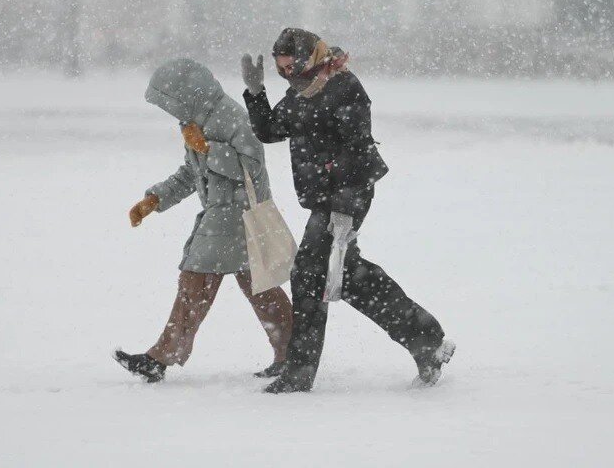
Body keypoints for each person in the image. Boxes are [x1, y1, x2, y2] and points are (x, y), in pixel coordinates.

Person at [241, 28, 454, 393]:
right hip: (323, 198)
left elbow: (357, 150)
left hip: (348, 194)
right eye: (281, 69)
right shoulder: (301, 91)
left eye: (291, 65)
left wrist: (343, 211)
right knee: (349, 277)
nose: (287, 74)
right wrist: (257, 94)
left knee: (308, 274)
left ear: (309, 56)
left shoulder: (343, 86)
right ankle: (427, 338)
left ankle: (299, 371)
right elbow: (273, 130)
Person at [115, 58, 293, 383]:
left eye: (170, 103)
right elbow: (191, 173)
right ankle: (293, 353)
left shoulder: (230, 115)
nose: (170, 112)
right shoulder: (195, 120)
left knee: (194, 282)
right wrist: (155, 200)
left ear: (186, 94)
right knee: (260, 287)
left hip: (235, 216)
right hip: (224, 217)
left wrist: (209, 148)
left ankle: (160, 357)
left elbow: (251, 165)